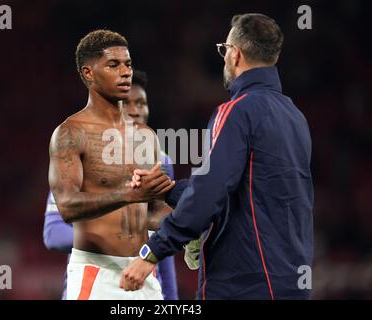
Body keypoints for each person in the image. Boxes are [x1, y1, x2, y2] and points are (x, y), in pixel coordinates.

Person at [120, 13, 314, 300]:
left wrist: (153, 251)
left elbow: (210, 195)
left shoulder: (237, 112)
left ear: (235, 55)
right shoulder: (295, 117)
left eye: (224, 50)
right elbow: (249, 195)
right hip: (291, 283)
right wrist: (170, 190)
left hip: (243, 283)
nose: (223, 58)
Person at [48, 29, 175, 300]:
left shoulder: (146, 137)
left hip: (144, 273)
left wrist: (188, 217)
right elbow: (68, 206)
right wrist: (128, 195)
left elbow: (151, 213)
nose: (125, 72)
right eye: (113, 65)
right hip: (96, 274)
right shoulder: (71, 133)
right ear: (89, 73)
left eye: (128, 64)